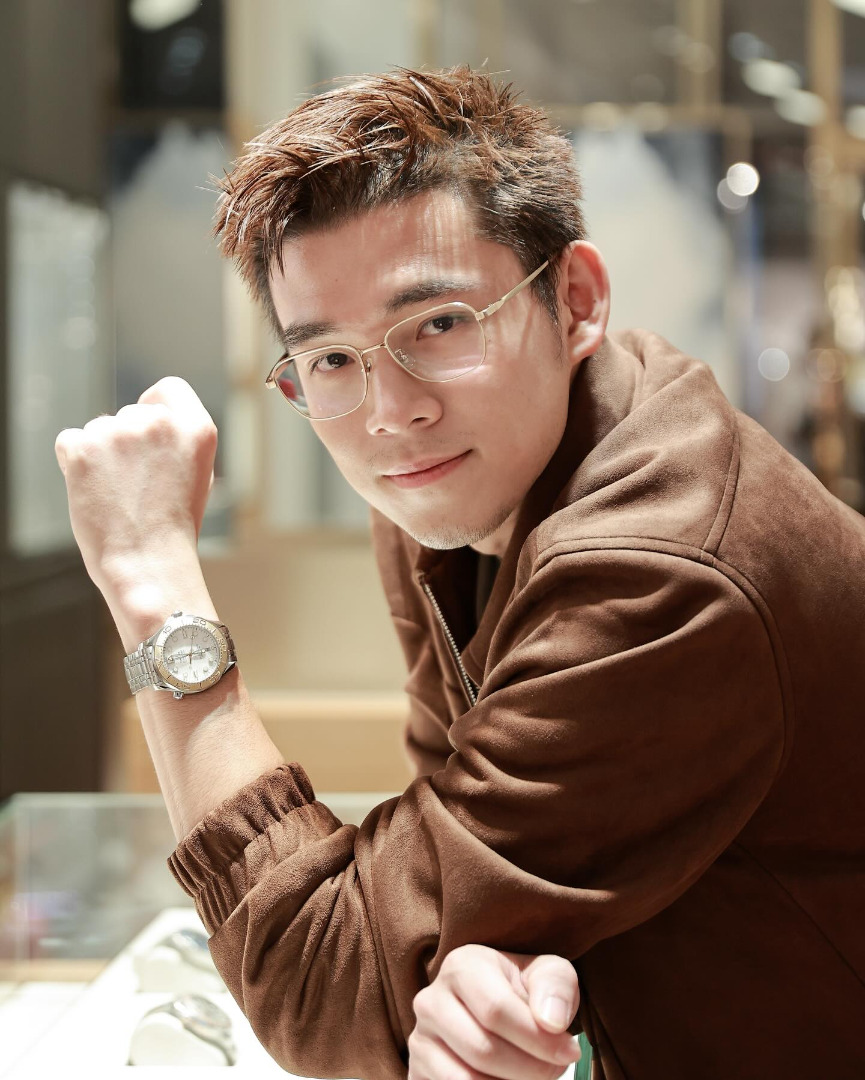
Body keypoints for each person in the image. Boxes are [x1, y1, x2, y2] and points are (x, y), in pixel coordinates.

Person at [55, 67, 865, 1080]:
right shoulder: (463, 480)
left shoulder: (660, 572)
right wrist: (472, 961)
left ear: (575, 302)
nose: (390, 411)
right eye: (330, 359)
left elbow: (326, 983)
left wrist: (151, 582)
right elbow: (454, 834)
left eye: (439, 324)